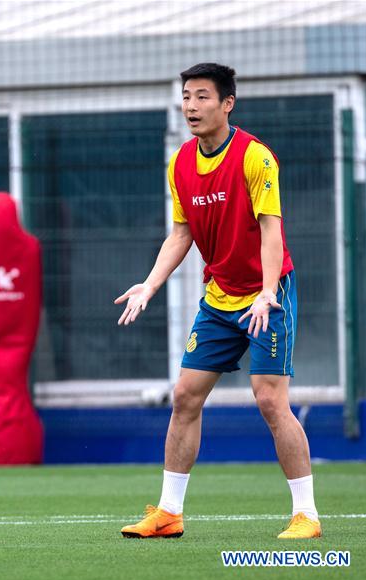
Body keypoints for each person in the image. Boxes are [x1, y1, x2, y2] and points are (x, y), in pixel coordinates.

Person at [114, 63, 320, 539]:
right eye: (186, 96)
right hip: (219, 299)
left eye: (203, 96)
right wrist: (149, 285)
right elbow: (181, 234)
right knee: (185, 396)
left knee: (270, 400)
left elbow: (272, 231)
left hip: (268, 296)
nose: (191, 106)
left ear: (228, 104)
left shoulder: (255, 157)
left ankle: (306, 514)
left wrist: (269, 293)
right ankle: (168, 513)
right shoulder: (180, 162)